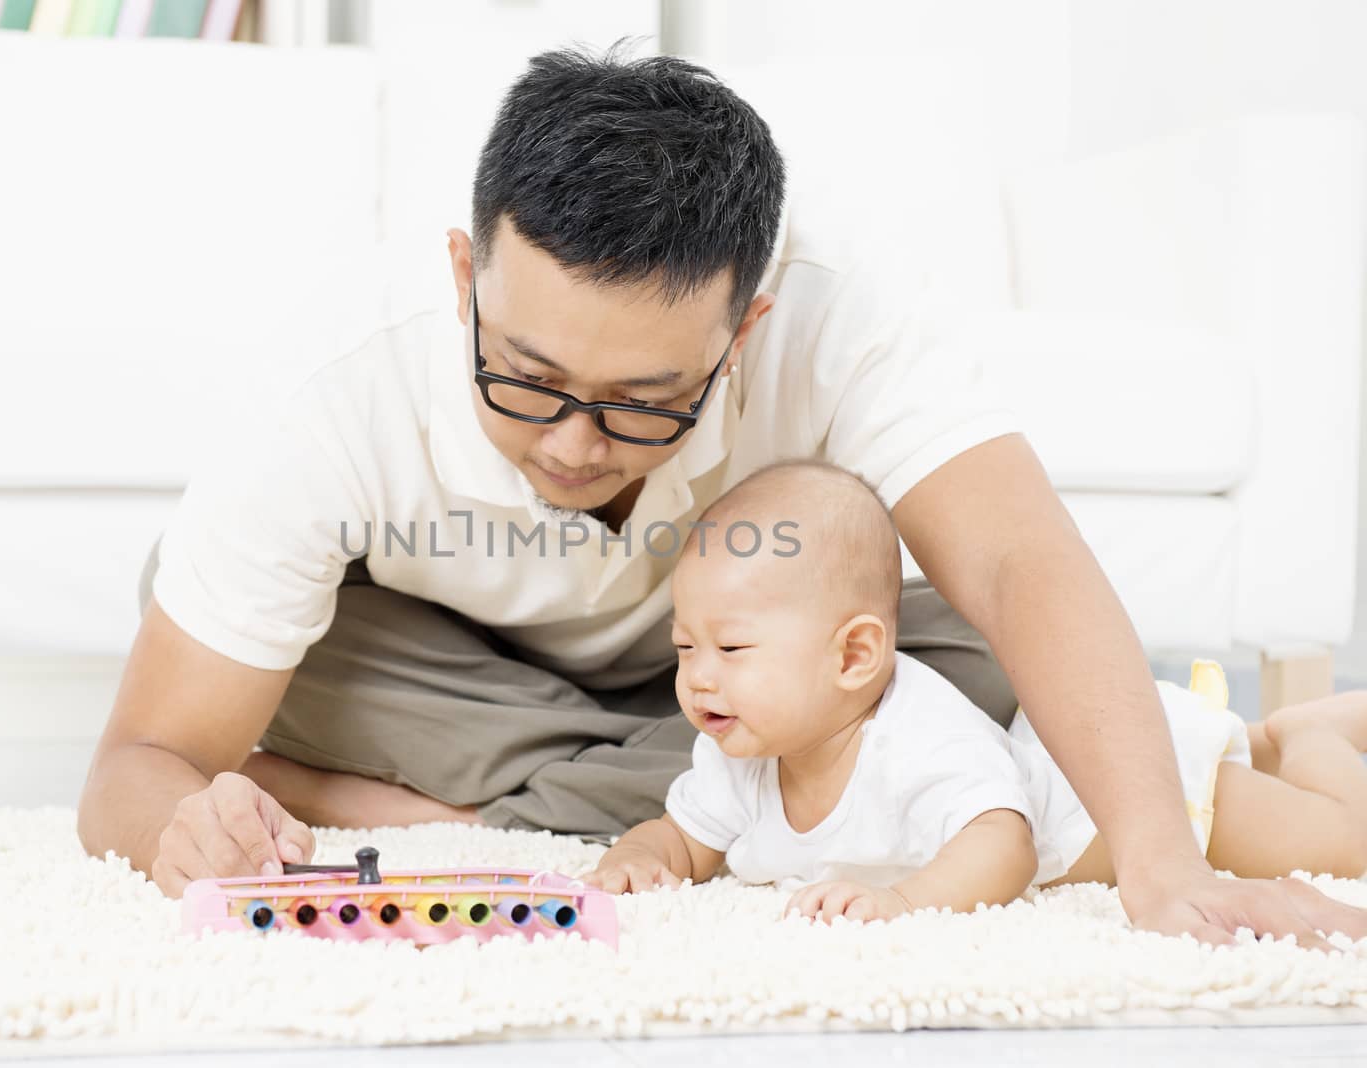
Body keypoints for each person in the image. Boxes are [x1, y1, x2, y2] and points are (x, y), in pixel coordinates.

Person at [76, 44, 1367, 946]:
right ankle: (557, 788)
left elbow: (1022, 562)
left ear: (743, 328)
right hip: (449, 674)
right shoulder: (329, 387)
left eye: (644, 400)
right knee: (242, 630)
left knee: (947, 675)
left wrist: (1158, 858)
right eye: (526, 381)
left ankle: (480, 804)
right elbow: (138, 764)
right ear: (466, 274)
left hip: (732, 671)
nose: (577, 445)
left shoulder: (834, 313)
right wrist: (186, 820)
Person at [583, 461, 1367, 939]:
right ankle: (1263, 737)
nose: (699, 678)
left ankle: (1307, 738)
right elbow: (683, 837)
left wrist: (904, 903)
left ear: (854, 655)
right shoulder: (741, 750)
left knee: (1346, 841)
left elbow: (1004, 846)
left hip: (1133, 801)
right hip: (1085, 766)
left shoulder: (914, 732)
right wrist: (640, 857)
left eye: (732, 650)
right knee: (1253, 754)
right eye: (686, 649)